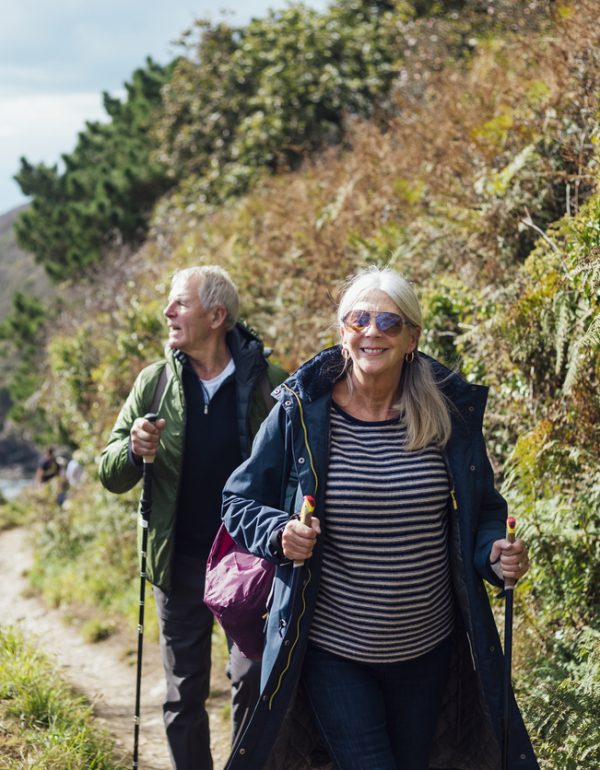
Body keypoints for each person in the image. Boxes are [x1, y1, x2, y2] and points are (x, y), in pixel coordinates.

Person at [221, 266, 539, 770]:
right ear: (342, 332)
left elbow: (484, 512)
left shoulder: (446, 415)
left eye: (389, 322)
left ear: (413, 337)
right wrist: (280, 533)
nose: (372, 332)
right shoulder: (300, 410)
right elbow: (237, 500)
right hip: (333, 647)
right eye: (359, 319)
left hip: (427, 647)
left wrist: (493, 552)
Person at [99, 265, 287, 770]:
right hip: (178, 563)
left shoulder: (271, 385)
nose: (168, 312)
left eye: (180, 303)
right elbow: (109, 472)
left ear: (216, 316)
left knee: (252, 678)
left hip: (248, 566)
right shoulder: (154, 383)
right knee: (183, 694)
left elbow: (297, 471)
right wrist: (134, 452)